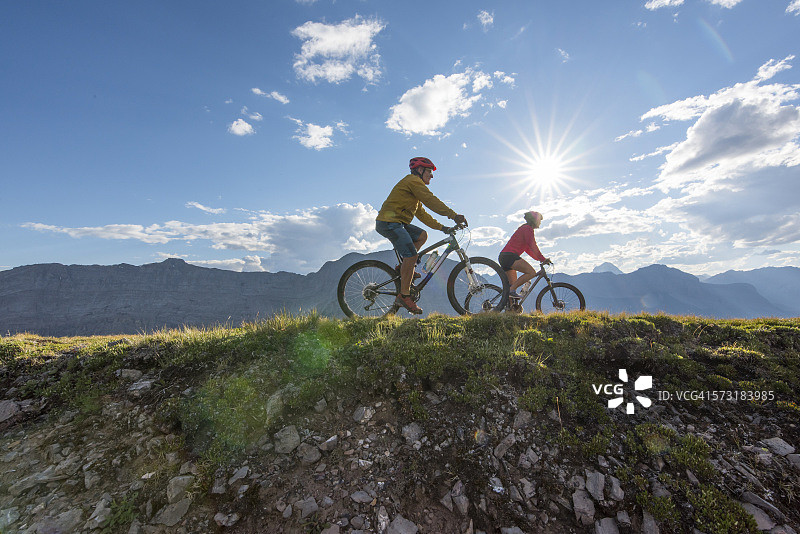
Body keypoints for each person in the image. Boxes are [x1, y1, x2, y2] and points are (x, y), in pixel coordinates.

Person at [375, 157, 468, 314]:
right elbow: (431, 200)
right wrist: (453, 215)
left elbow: (422, 214)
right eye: (429, 172)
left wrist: (442, 227)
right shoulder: (413, 181)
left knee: (422, 236)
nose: (432, 176)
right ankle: (404, 296)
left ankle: (404, 267)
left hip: (398, 223)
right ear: (420, 170)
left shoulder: (414, 189)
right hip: (389, 222)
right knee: (411, 255)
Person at [498, 211, 551, 302]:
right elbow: (532, 245)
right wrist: (542, 259)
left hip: (504, 257)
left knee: (512, 286)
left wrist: (539, 259)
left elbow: (528, 249)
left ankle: (511, 310)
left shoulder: (524, 228)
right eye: (539, 220)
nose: (540, 223)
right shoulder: (528, 229)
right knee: (531, 273)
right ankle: (511, 290)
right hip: (510, 256)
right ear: (534, 220)